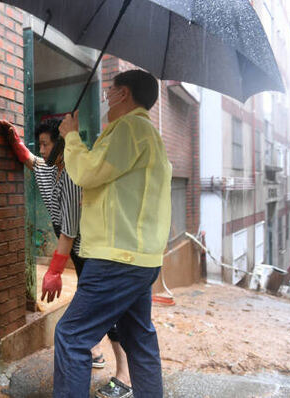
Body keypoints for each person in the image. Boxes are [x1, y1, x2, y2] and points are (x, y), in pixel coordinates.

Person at [54, 69, 172, 398]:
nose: (105, 97)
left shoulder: (129, 129)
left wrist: (71, 136)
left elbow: (87, 173)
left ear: (124, 94)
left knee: (72, 335)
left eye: (109, 91)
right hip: (141, 259)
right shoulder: (149, 134)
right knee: (139, 339)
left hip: (116, 259)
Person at [0, 119, 132, 384]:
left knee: (105, 311)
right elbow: (32, 161)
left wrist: (54, 272)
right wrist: (17, 145)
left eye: (46, 144)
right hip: (80, 251)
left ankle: (125, 376)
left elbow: (68, 233)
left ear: (61, 146)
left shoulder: (72, 173)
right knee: (88, 301)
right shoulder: (51, 168)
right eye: (41, 145)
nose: (43, 150)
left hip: (94, 252)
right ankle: (95, 351)